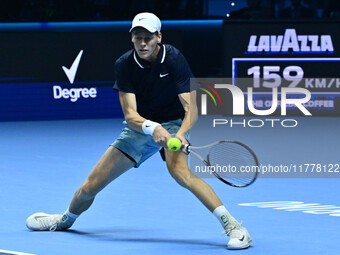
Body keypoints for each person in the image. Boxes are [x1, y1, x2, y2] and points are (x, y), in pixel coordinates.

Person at [25, 12, 252, 250]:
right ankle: (64, 220)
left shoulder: (173, 57)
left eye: (148, 38)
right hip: (141, 126)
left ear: (159, 37)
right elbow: (131, 115)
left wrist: (181, 133)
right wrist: (153, 127)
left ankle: (235, 227)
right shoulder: (124, 64)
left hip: (174, 122)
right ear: (132, 38)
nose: (143, 43)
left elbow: (191, 106)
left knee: (180, 173)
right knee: (90, 186)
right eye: (137, 38)